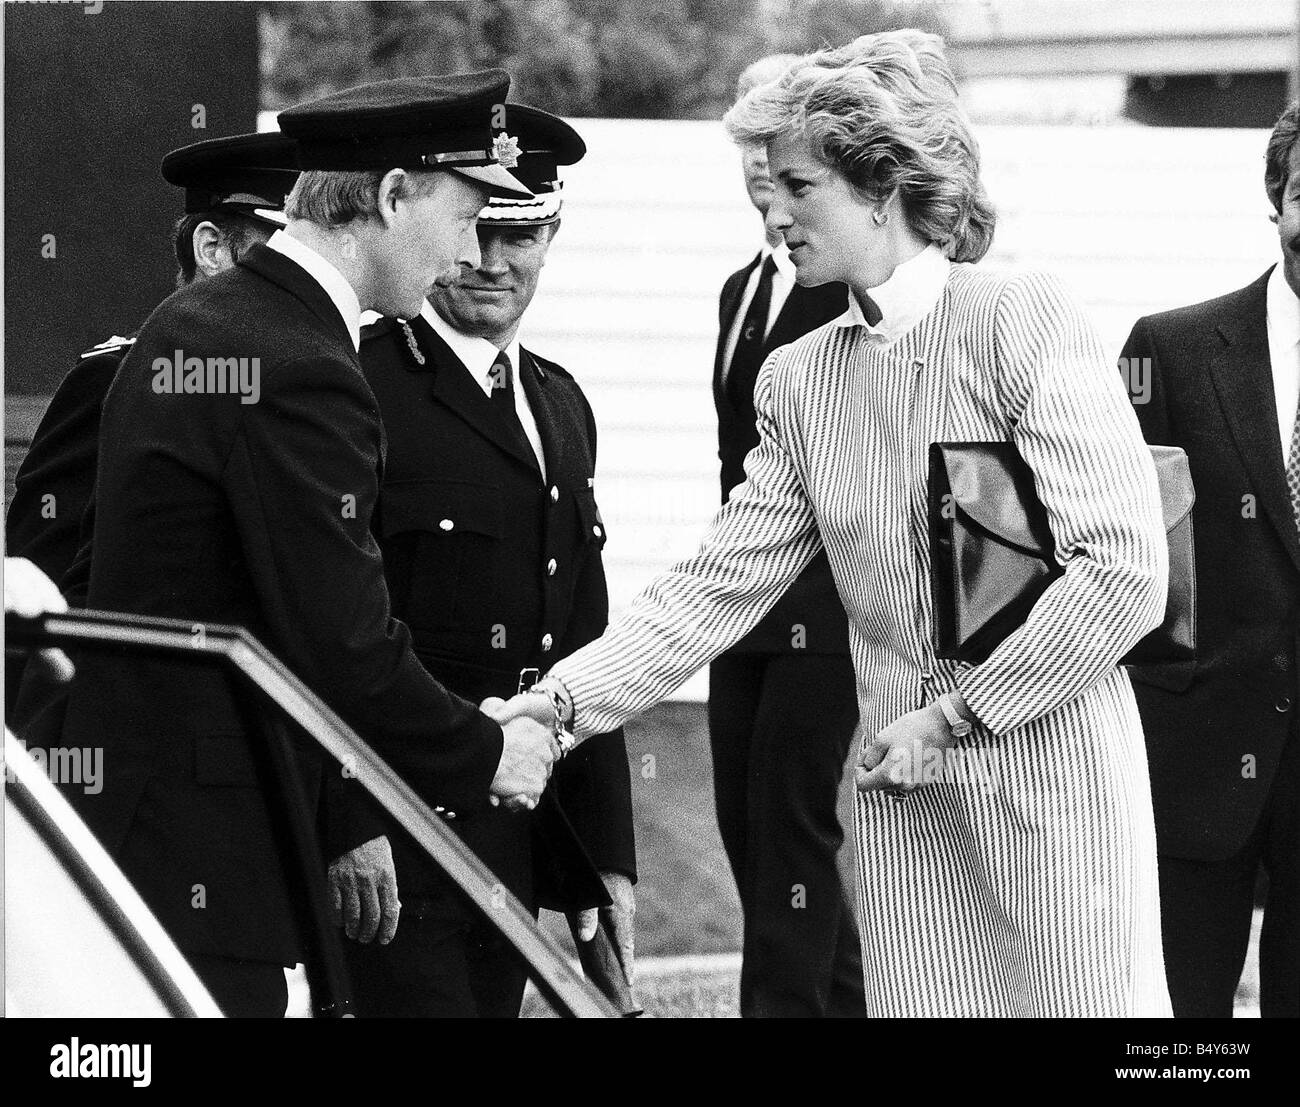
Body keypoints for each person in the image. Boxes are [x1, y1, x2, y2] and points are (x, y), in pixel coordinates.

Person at [489, 31, 1173, 1017]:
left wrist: (957, 716)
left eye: (796, 187)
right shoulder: (802, 381)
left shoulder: (1025, 318)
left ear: (879, 184)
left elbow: (1122, 570)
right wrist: (554, 711)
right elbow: (709, 591)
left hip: (1052, 795)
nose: (772, 213)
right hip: (904, 814)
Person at [53, 71, 561, 1017]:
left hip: (153, 828)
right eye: (464, 212)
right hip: (209, 847)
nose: (468, 250)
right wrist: (486, 746)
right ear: (392, 194)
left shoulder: (208, 318)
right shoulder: (300, 367)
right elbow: (344, 641)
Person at [352, 104, 636, 1017]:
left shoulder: (559, 402)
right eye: (477, 230)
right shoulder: (358, 383)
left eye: (522, 233)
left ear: (552, 234)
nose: (492, 262)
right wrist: (346, 818)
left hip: (518, 824)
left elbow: (583, 636)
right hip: (401, 822)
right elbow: (325, 623)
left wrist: (606, 856)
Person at [4, 132, 299, 718]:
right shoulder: (120, 380)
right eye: (288, 254)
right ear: (212, 247)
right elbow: (44, 597)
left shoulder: (316, 387)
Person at [1120, 104, 1300, 1018]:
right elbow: (1112, 542)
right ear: (1277, 197)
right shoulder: (1168, 348)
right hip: (1190, 758)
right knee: (1178, 1028)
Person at [709, 55, 861, 1018]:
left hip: (825, 602)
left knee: (794, 830)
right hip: (744, 600)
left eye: (788, 154)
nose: (767, 173)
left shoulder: (845, 286)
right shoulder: (739, 291)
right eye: (754, 146)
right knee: (743, 827)